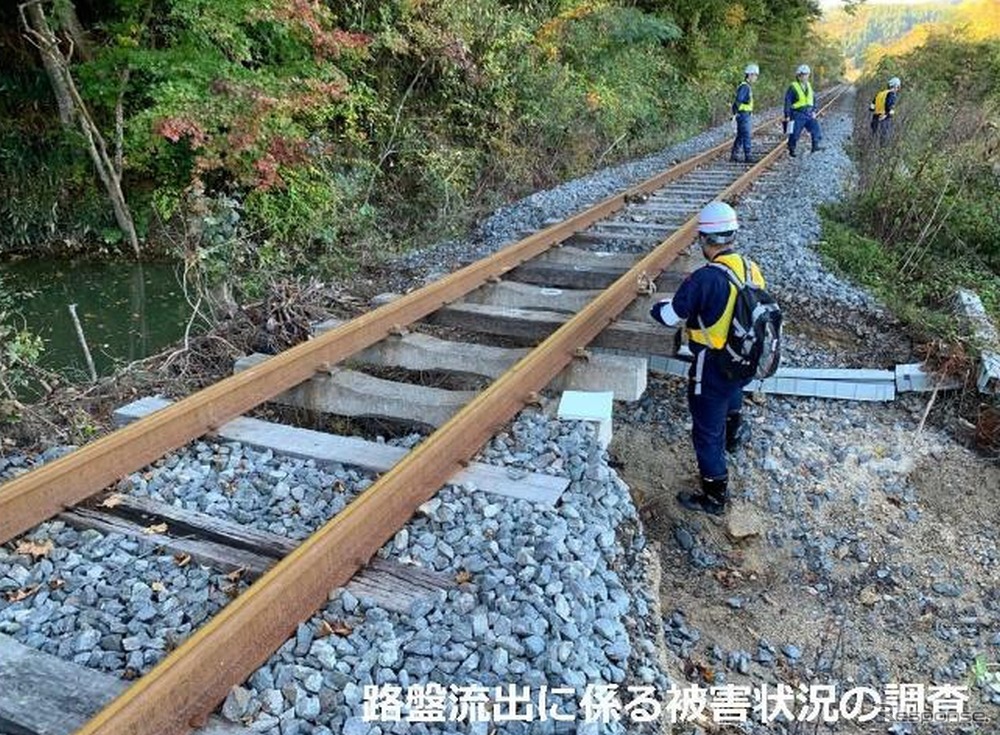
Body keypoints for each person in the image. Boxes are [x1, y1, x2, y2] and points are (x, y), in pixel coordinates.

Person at [649, 201, 765, 516]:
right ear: (733, 235)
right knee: (733, 393)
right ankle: (734, 435)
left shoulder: (705, 278)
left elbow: (671, 316)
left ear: (704, 239)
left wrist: (656, 306)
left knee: (705, 431)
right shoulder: (751, 268)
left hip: (711, 365)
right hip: (743, 357)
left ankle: (714, 496)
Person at [783, 64, 823, 157]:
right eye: (803, 75)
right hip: (798, 114)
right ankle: (791, 149)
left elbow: (813, 99)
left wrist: (814, 111)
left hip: (809, 113)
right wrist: (787, 115)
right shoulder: (793, 86)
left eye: (807, 74)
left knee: (816, 129)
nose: (805, 77)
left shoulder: (809, 85)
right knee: (795, 133)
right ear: (799, 76)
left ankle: (815, 146)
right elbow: (788, 101)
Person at [730, 63, 759, 163]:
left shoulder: (746, 86)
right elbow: (738, 100)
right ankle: (748, 156)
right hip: (743, 115)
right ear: (750, 75)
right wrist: (734, 113)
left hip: (744, 114)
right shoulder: (745, 87)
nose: (756, 78)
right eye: (755, 75)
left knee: (741, 135)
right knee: (746, 134)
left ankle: (734, 155)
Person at [870, 76, 901, 144]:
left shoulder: (880, 93)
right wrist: (888, 114)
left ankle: (870, 150)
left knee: (873, 137)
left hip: (875, 117)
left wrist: (876, 111)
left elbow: (871, 107)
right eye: (898, 87)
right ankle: (881, 152)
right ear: (895, 86)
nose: (898, 89)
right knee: (883, 138)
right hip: (884, 118)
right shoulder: (892, 95)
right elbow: (889, 106)